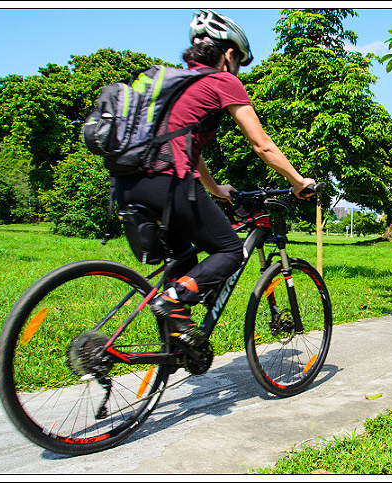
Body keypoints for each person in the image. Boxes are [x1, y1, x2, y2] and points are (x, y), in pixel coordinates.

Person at [114, 9, 315, 355]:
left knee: (186, 266)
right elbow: (261, 144)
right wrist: (298, 181)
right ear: (228, 53)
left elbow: (186, 146)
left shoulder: (175, 83)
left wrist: (214, 188)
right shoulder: (223, 81)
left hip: (128, 183)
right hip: (168, 182)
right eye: (237, 60)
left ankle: (176, 344)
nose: (237, 68)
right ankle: (174, 303)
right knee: (230, 250)